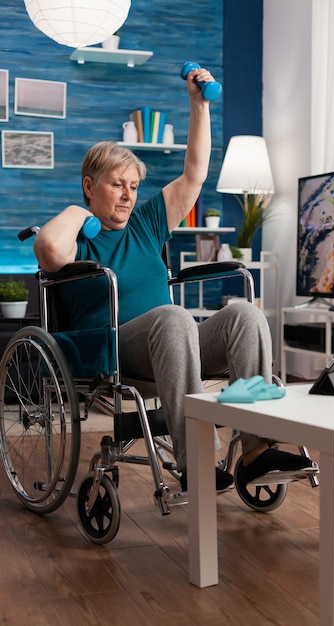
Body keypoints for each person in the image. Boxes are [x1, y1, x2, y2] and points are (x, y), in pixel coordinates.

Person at [34, 66, 313, 492]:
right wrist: (79, 212)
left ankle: (256, 452)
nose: (128, 195)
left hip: (176, 341)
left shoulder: (145, 223)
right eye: (116, 185)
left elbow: (194, 175)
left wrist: (198, 104)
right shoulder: (77, 241)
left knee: (245, 316)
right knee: (173, 317)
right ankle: (195, 459)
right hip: (114, 352)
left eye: (132, 185)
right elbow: (50, 251)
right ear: (90, 186)